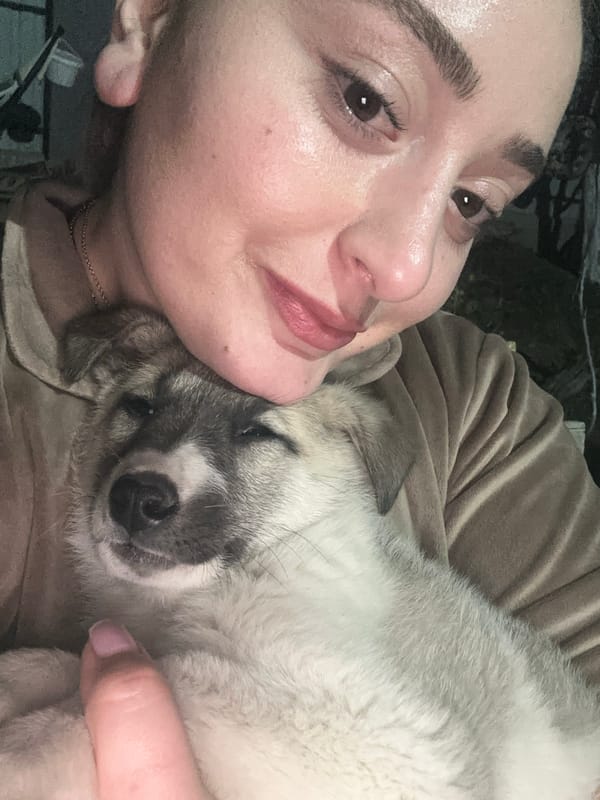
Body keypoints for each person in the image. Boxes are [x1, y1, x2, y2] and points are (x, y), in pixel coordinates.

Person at [0, 0, 597, 796]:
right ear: (149, 18)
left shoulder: (478, 403)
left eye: (470, 202)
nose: (406, 269)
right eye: (366, 99)